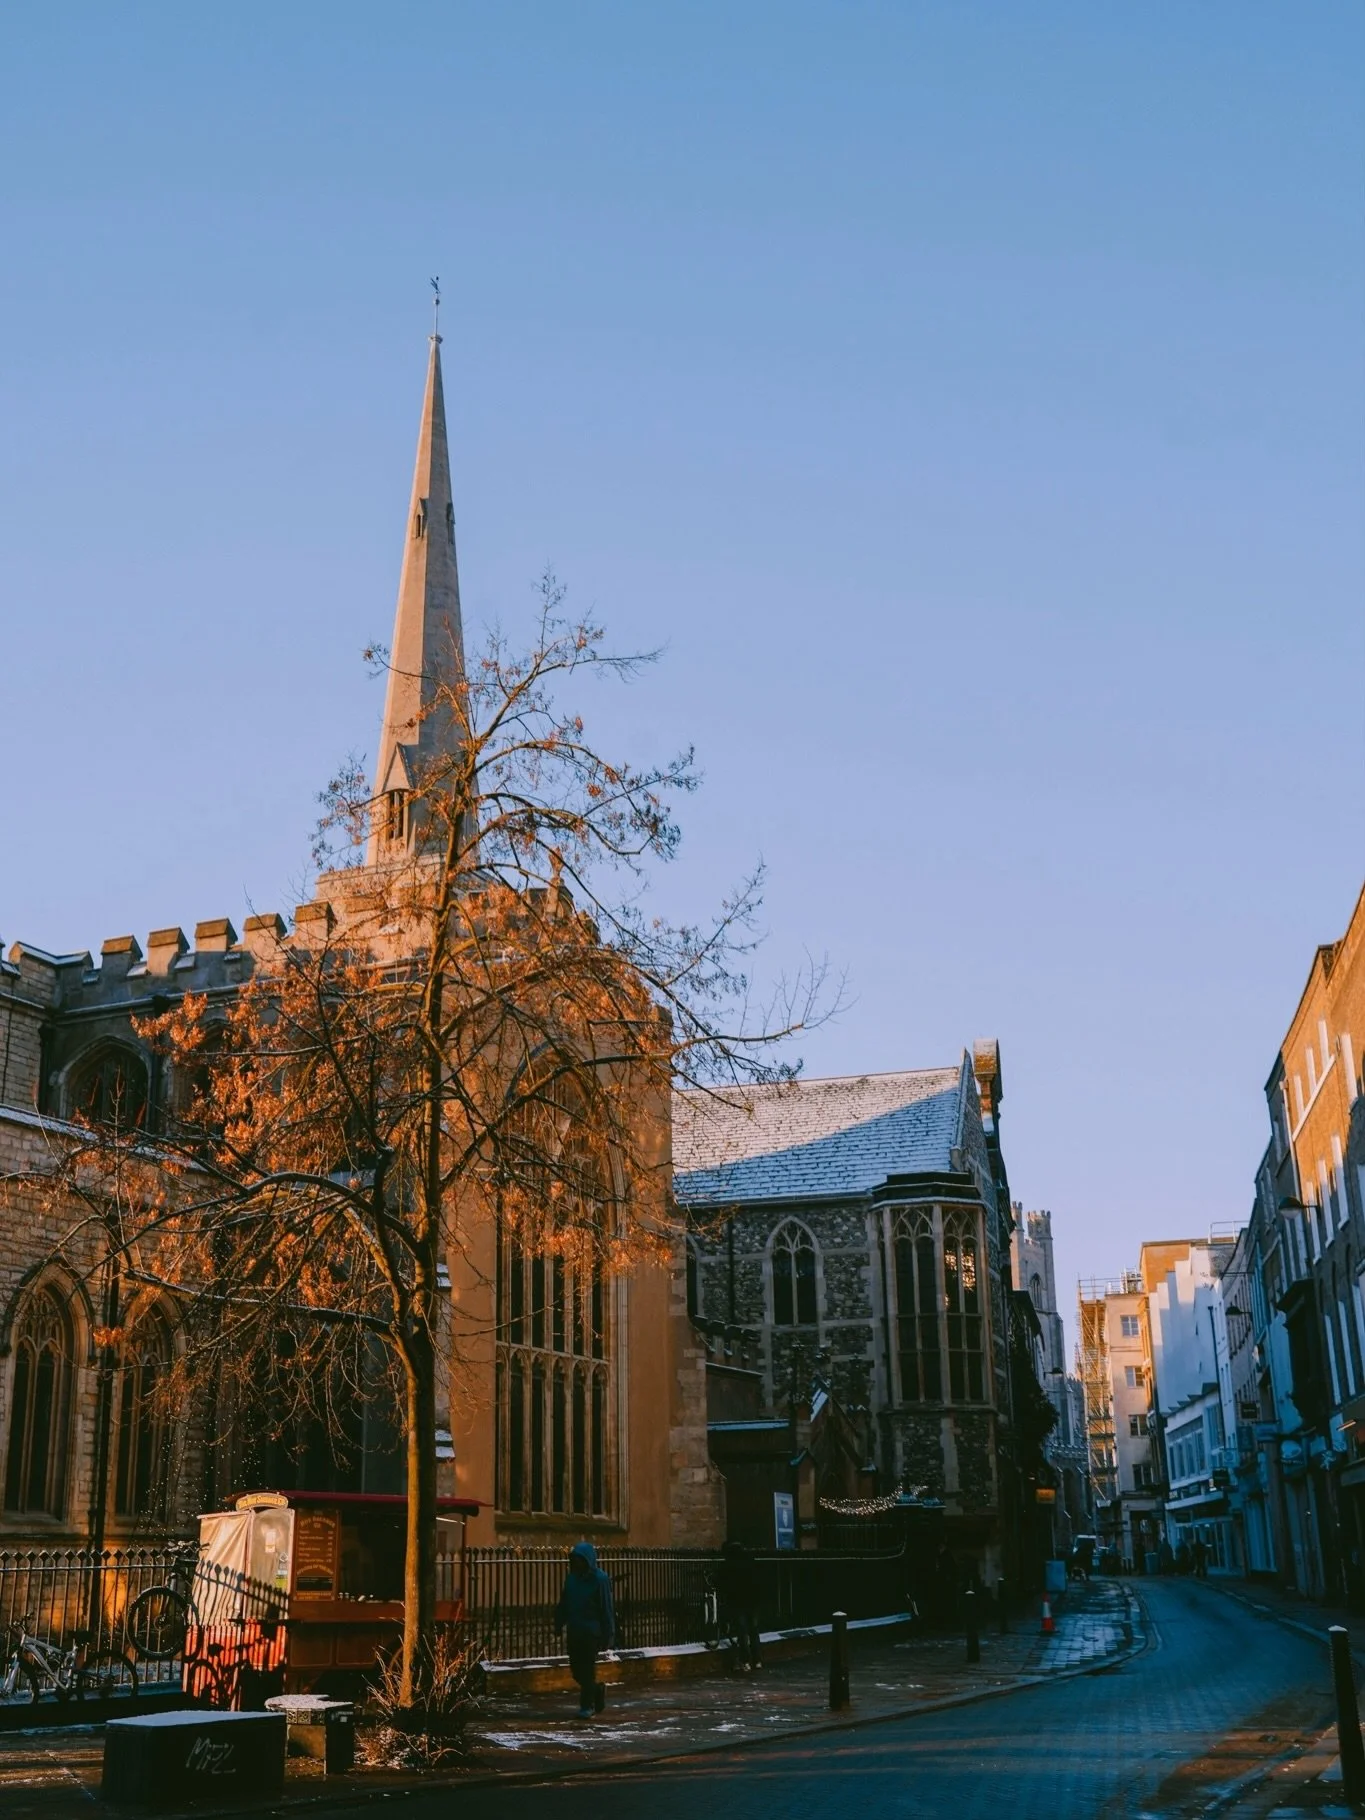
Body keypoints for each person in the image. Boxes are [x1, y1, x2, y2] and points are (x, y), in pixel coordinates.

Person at [554, 1541, 616, 1718]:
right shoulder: (572, 1579)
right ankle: (596, 1690)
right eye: (575, 1559)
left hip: (591, 1632)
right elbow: (564, 1603)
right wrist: (559, 1623)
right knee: (576, 1670)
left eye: (580, 1559)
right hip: (575, 1629)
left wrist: (608, 1635)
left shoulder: (600, 1579)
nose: (578, 1563)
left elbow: (606, 1609)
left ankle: (586, 1706)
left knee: (587, 1669)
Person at [719, 1538, 762, 1672]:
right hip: (752, 1601)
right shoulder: (750, 1561)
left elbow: (723, 1583)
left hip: (737, 1602)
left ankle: (745, 1661)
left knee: (742, 1632)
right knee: (753, 1630)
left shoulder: (729, 1564)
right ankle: (757, 1660)